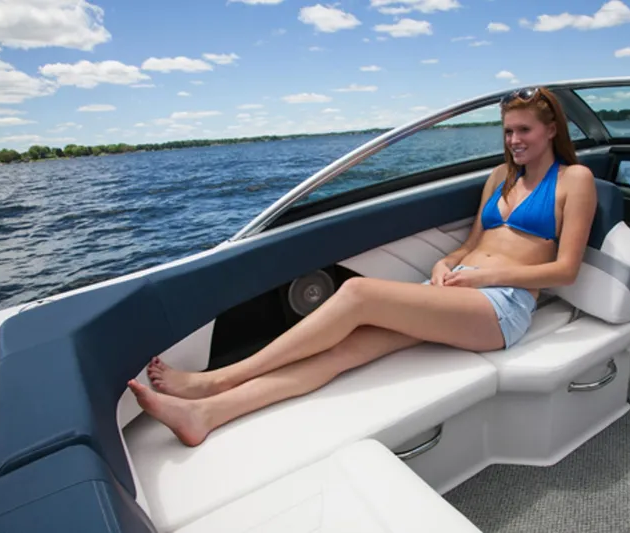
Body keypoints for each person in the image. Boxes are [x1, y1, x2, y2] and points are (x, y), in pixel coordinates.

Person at [127, 87, 598, 447]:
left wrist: (485, 276)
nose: (514, 140)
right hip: (457, 291)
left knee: (357, 294)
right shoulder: (500, 177)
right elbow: (472, 244)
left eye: (524, 131)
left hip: (502, 307)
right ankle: (206, 416)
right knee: (341, 352)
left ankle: (218, 378)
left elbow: (565, 271)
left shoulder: (575, 180)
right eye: (508, 131)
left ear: (552, 129)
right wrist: (444, 263)